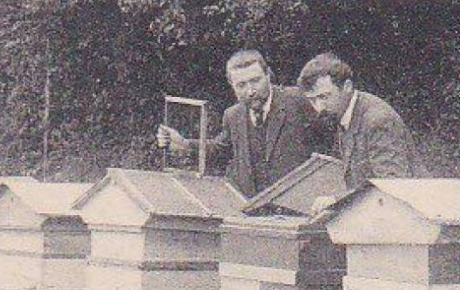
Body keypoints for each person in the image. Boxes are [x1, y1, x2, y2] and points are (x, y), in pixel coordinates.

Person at [155, 49, 318, 198]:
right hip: (253, 211)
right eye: (241, 85)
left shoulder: (298, 101)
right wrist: (184, 144)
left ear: (268, 75)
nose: (250, 91)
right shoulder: (233, 115)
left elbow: (330, 143)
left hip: (300, 206)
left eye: (255, 81)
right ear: (232, 86)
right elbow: (221, 149)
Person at [297, 52, 417, 196]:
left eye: (324, 97)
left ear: (347, 86)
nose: (319, 107)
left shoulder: (377, 120)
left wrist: (337, 201)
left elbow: (392, 186)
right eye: (312, 100)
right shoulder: (344, 113)